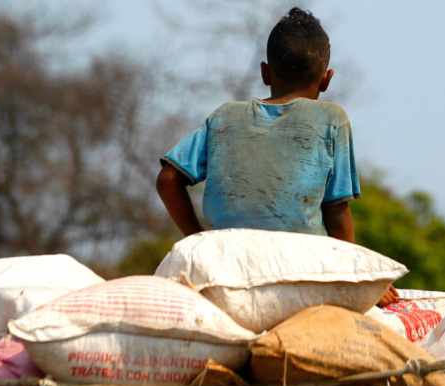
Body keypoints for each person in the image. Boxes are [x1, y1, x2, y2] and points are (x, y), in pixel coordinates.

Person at [156, 7, 398, 304]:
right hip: (304, 266)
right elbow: (336, 213)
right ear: (326, 79)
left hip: (225, 263)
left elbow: (168, 179)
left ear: (265, 72)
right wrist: (360, 277)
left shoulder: (225, 116)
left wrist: (197, 238)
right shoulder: (331, 118)